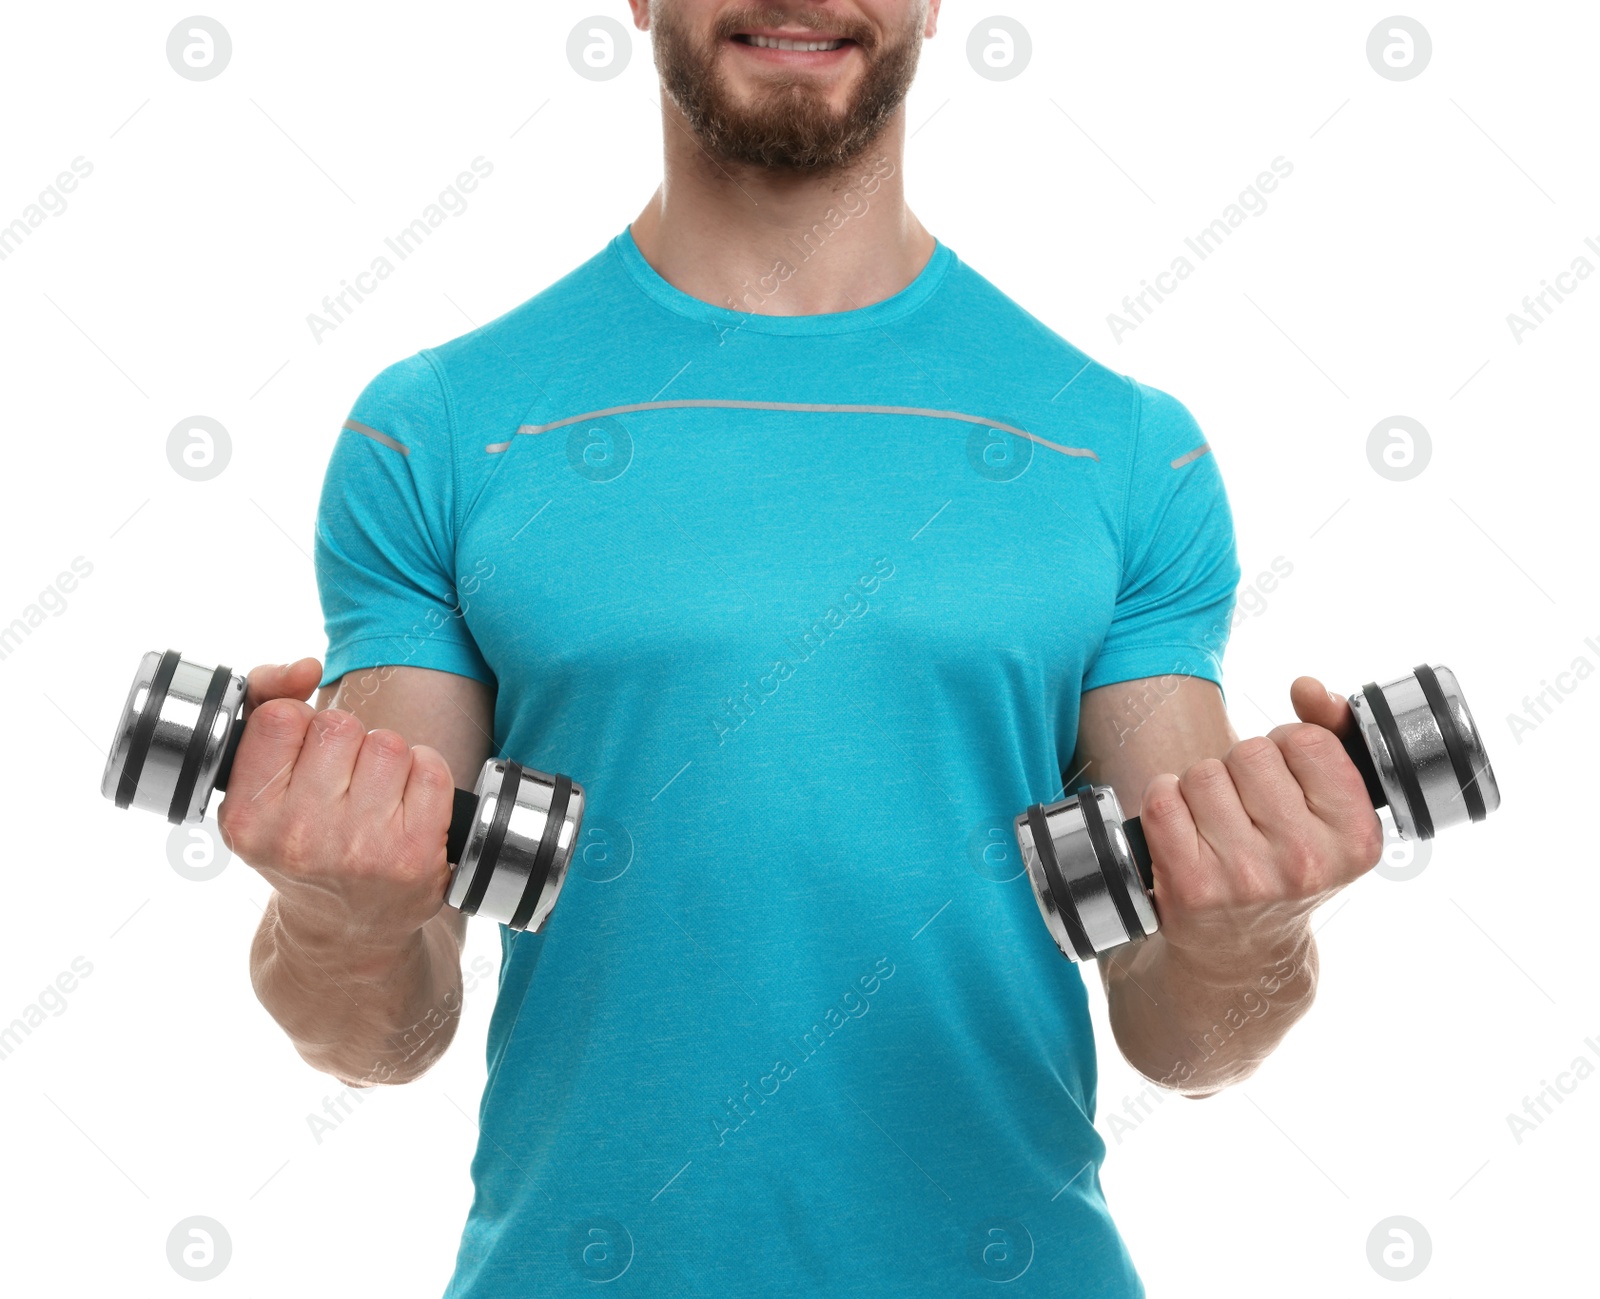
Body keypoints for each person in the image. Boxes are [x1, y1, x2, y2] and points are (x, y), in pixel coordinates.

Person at [217, 3, 1385, 1295]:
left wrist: (1249, 940)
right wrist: (336, 925)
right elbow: (388, 1028)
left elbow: (1182, 1031)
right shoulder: (442, 433)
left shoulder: (1119, 452)